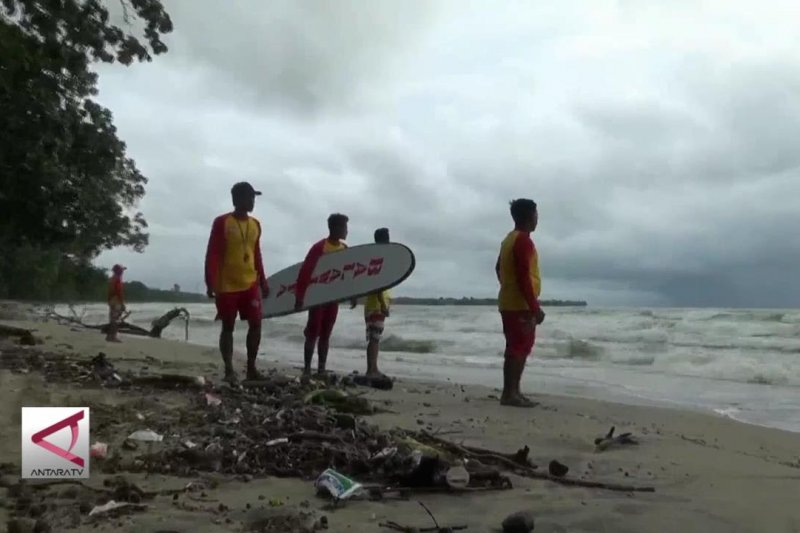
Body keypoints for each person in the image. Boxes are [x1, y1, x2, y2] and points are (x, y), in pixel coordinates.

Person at [205, 181, 270, 384]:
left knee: (256, 324)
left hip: (250, 282)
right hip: (227, 285)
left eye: (253, 197)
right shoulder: (222, 222)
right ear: (237, 199)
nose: (252, 201)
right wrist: (211, 281)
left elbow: (256, 253)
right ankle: (229, 370)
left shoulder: (255, 225)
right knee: (228, 326)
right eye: (249, 197)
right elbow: (213, 253)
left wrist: (263, 280)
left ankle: (251, 368)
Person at [495, 198, 545, 407]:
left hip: (509, 301)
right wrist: (534, 307)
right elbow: (523, 275)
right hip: (520, 304)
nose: (537, 218)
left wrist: (507, 286)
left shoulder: (508, 239)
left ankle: (512, 391)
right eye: (536, 214)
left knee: (515, 346)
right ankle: (510, 393)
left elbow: (498, 268)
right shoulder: (523, 240)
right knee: (520, 347)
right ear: (529, 216)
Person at [294, 213, 356, 375]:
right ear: (334, 228)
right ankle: (307, 368)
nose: (346, 231)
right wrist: (300, 297)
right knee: (313, 332)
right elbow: (305, 272)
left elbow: (349, 275)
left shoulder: (344, 249)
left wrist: (353, 295)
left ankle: (321, 368)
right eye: (344, 227)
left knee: (326, 334)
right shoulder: (319, 247)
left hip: (332, 298)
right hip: (317, 297)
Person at [363, 227, 391, 378]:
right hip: (375, 305)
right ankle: (371, 370)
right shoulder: (377, 259)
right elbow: (378, 285)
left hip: (374, 304)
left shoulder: (375, 258)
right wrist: (383, 304)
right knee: (374, 339)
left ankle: (373, 368)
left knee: (375, 338)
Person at [106, 264, 126, 342]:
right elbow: (119, 292)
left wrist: (108, 300)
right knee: (115, 319)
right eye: (122, 270)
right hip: (116, 300)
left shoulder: (111, 279)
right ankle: (113, 336)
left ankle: (109, 336)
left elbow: (109, 292)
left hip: (111, 300)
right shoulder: (117, 280)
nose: (122, 272)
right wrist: (122, 303)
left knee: (112, 319)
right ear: (119, 271)